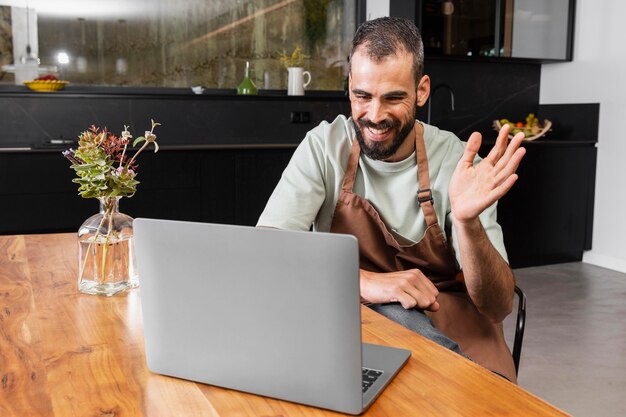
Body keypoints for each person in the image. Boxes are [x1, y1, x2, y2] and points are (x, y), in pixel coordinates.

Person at [257, 16, 526, 383]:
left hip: (450, 322)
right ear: (350, 86)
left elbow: (498, 306)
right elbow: (266, 252)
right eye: (362, 96)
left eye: (394, 98)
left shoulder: (457, 161)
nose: (375, 115)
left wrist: (467, 223)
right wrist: (364, 282)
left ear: (422, 90)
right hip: (349, 318)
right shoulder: (323, 147)